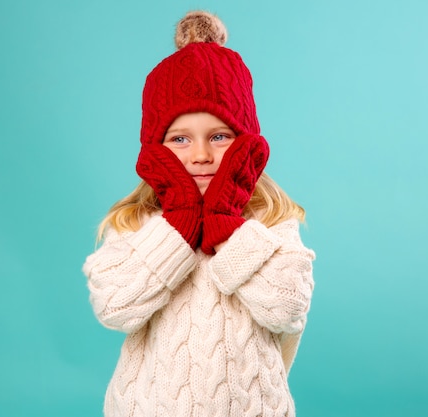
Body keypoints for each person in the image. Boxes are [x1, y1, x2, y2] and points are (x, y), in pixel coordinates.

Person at [83, 10, 315, 417]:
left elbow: (287, 308)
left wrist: (226, 223)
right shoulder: (137, 224)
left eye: (220, 136)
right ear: (155, 148)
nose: (202, 155)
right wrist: (179, 224)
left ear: (247, 144)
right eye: (180, 139)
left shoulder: (271, 222)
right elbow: (115, 306)